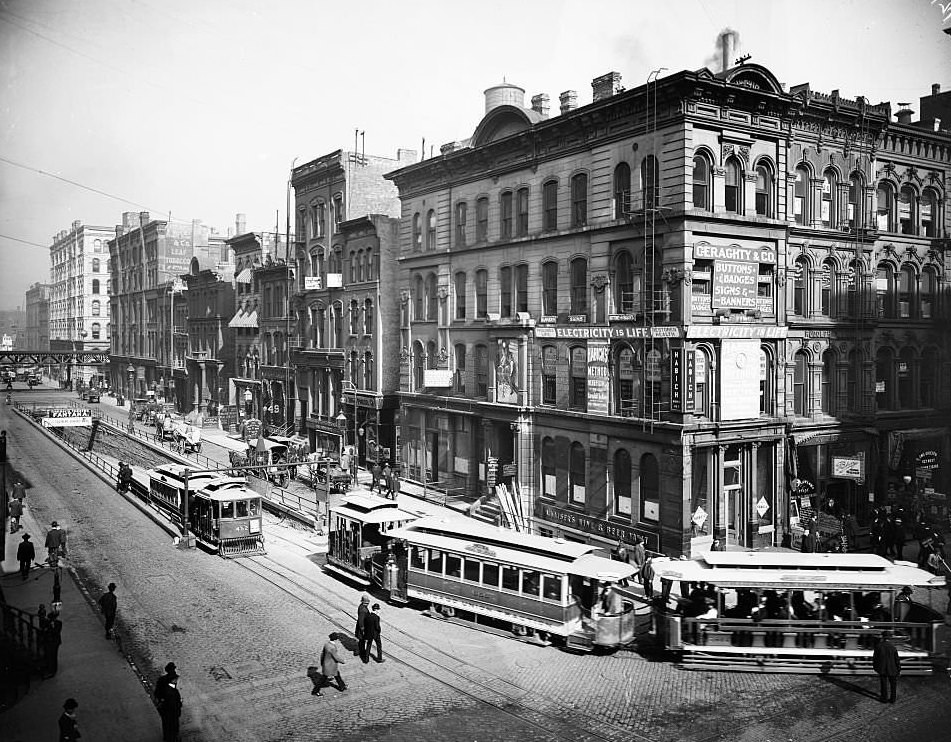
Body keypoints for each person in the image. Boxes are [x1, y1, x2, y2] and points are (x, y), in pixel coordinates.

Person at [154, 662, 183, 742]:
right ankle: (173, 738)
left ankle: (167, 738)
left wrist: (160, 701)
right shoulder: (172, 691)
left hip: (164, 709)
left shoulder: (162, 680)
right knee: (174, 726)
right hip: (171, 711)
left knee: (166, 725)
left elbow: (156, 693)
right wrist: (179, 704)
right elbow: (174, 703)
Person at [872, 630, 901, 703]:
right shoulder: (893, 647)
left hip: (882, 668)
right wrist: (899, 669)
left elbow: (875, 658)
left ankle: (884, 699)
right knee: (893, 685)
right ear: (889, 638)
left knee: (883, 684)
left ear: (882, 637)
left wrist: (875, 667)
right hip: (892, 668)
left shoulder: (878, 646)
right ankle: (892, 699)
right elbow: (897, 660)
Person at [43, 611, 63, 678]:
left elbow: (56, 632)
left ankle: (53, 670)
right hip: (49, 641)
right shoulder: (47, 623)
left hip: (55, 642)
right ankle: (49, 668)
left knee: (53, 656)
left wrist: (52, 627)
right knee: (49, 655)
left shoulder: (59, 623)